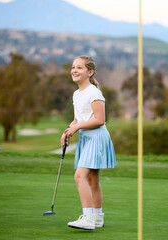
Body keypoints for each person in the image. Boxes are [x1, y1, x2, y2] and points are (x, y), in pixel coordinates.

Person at [61, 55, 117, 230]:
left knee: (80, 176)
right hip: (86, 138)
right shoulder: (77, 94)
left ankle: (87, 218)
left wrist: (77, 128)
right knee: (92, 179)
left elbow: (100, 119)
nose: (74, 70)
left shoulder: (94, 93)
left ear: (90, 72)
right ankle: (97, 217)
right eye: (73, 67)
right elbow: (79, 118)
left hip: (96, 138)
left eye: (79, 67)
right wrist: (68, 130)